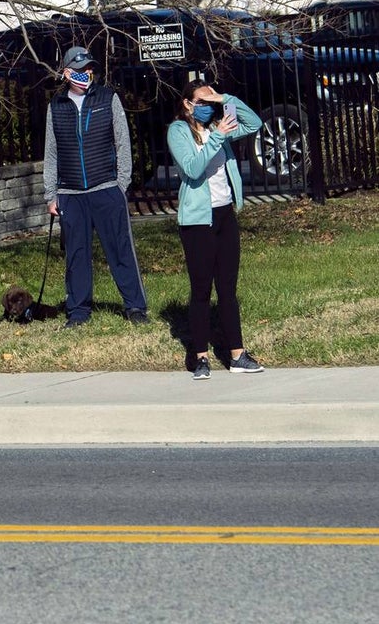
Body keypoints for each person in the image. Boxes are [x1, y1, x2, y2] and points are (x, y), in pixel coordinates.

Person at [43, 46, 149, 329]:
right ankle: (78, 311)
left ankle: (135, 307)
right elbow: (51, 153)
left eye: (88, 69)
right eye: (78, 71)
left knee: (120, 250)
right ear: (66, 73)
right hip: (70, 194)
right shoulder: (56, 106)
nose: (85, 75)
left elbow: (122, 142)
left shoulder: (107, 98)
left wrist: (121, 184)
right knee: (76, 256)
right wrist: (51, 195)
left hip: (106, 188)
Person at [167, 80, 265, 380]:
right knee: (201, 290)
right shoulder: (178, 131)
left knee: (227, 289)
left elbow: (254, 122)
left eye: (212, 99)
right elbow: (193, 169)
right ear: (188, 103)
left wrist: (226, 97)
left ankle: (237, 354)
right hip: (198, 220)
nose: (209, 105)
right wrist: (215, 138)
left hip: (225, 214)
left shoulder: (219, 124)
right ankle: (199, 357)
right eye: (203, 100)